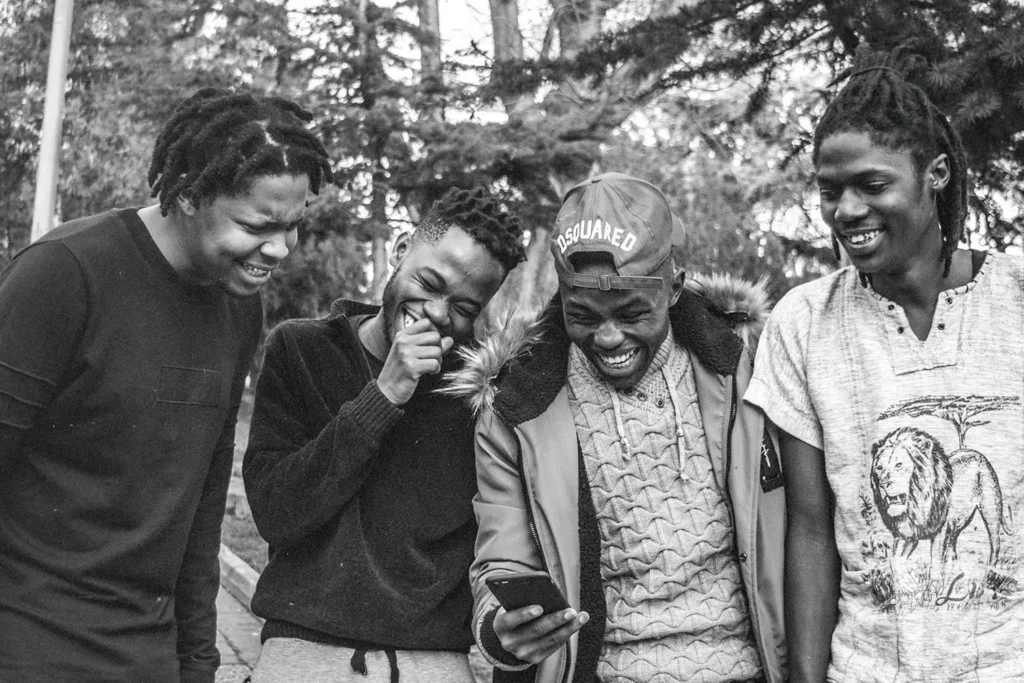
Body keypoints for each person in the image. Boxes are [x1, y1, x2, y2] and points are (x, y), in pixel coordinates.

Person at [0, 88, 333, 682]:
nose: (280, 249)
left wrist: (197, 663)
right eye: (259, 224)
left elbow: (202, 503)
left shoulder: (238, 306)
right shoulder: (64, 273)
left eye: (293, 226)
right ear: (186, 193)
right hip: (26, 642)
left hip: (145, 653)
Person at [745, 49, 1024, 683]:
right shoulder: (805, 323)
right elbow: (812, 532)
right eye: (829, 190)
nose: (845, 210)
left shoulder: (1016, 300)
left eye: (872, 185)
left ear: (937, 174)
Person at [448, 172, 787, 683]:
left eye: (632, 313)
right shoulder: (517, 408)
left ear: (673, 287)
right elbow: (502, 555)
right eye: (582, 315)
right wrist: (503, 627)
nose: (608, 338)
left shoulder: (750, 365)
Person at [242, 187, 526, 682]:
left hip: (431, 662)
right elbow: (276, 513)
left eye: (463, 306)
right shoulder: (301, 349)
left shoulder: (477, 388)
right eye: (430, 283)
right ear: (399, 252)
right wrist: (386, 393)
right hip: (304, 651)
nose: (438, 313)